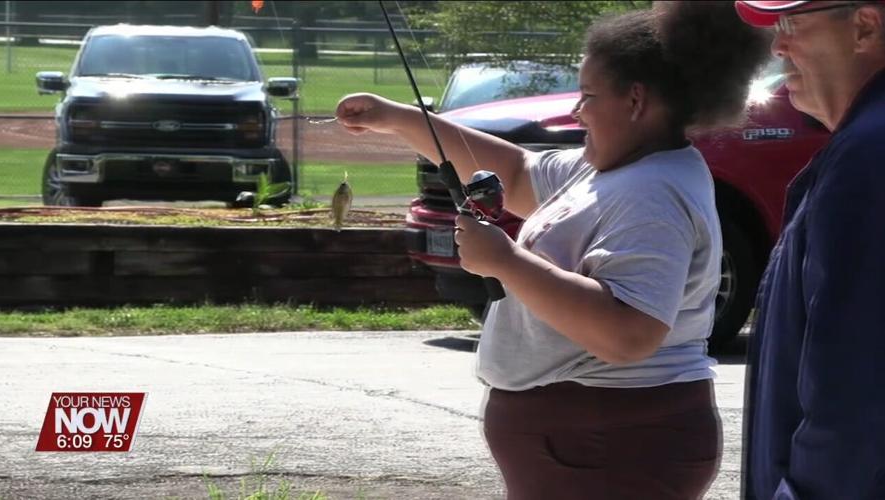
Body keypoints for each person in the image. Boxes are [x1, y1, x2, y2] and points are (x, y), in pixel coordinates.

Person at [337, 3, 769, 499]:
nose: (575, 111)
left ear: (635, 100)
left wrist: (506, 262)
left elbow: (629, 334)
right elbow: (517, 173)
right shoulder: (616, 166)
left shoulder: (653, 193)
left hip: (613, 449)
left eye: (587, 96)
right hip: (592, 448)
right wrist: (401, 119)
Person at [733, 1, 885, 499]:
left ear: (865, 26)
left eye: (792, 24)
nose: (777, 45)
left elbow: (856, 393)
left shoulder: (870, 155)